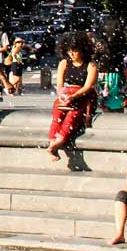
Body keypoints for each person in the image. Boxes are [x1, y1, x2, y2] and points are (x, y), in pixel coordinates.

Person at [45, 32, 99, 161]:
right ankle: (53, 140)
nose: (71, 54)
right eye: (69, 51)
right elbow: (59, 85)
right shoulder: (64, 63)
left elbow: (88, 87)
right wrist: (62, 96)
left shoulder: (91, 65)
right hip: (66, 94)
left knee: (72, 115)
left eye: (75, 51)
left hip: (83, 96)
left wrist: (74, 96)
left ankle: (58, 141)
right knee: (57, 113)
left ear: (83, 50)